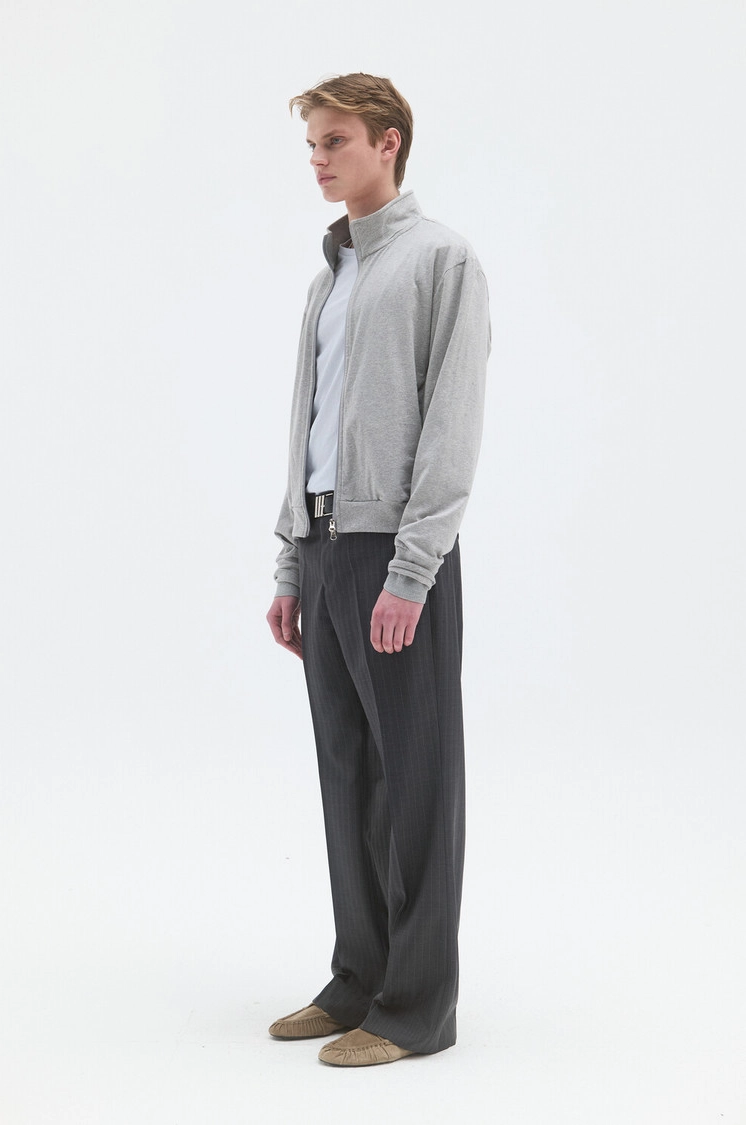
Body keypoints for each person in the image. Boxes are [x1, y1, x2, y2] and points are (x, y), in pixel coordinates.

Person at [266, 72, 491, 1067]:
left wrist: (412, 571)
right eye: (312, 145)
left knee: (416, 779)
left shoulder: (441, 260)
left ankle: (418, 1005)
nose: (318, 160)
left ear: (387, 142)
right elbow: (306, 430)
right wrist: (290, 562)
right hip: (324, 552)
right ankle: (359, 975)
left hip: (394, 555)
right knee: (348, 773)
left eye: (335, 141)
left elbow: (452, 426)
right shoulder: (329, 280)